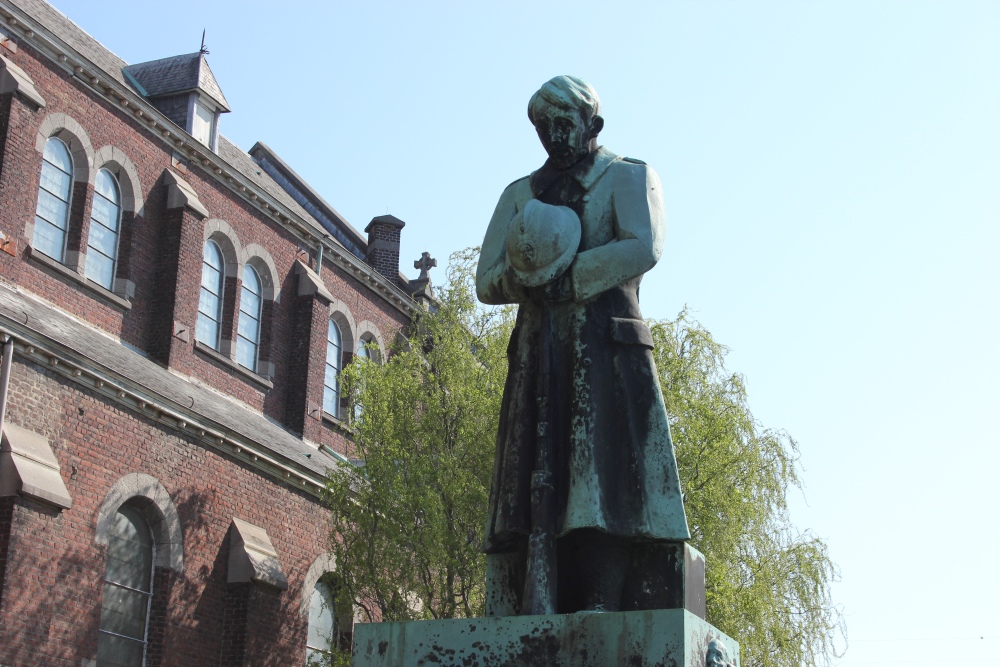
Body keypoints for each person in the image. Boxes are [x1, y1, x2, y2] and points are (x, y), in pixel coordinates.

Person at [477, 75, 690, 615]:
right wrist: (529, 280)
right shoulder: (519, 195)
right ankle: (532, 595)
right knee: (531, 486)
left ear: (592, 124)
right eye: (543, 127)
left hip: (608, 353)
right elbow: (487, 278)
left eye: (563, 124)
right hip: (537, 353)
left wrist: (569, 277)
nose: (553, 136)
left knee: (606, 478)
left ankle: (602, 596)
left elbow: (644, 245)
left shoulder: (629, 177)